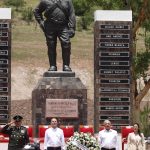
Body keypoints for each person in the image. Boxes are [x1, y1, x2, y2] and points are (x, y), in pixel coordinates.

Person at [33, 0, 76, 72]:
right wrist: (41, 22)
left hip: (63, 26)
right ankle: (52, 65)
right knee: (51, 45)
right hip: (50, 26)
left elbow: (71, 14)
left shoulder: (67, 1)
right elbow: (36, 11)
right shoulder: (45, 1)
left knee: (66, 44)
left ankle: (66, 65)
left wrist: (72, 28)